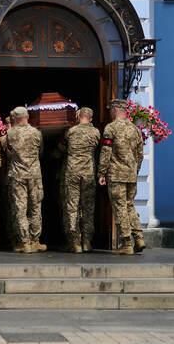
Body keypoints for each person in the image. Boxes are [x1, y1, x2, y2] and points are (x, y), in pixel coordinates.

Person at [99, 99, 144, 255]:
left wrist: (101, 172)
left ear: (116, 110)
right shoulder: (135, 129)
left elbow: (106, 152)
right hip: (131, 175)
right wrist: (135, 170)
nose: (110, 112)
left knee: (120, 208)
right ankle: (139, 238)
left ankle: (126, 243)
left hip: (116, 175)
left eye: (111, 109)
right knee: (129, 205)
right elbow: (140, 154)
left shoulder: (110, 128)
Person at [1, 107, 44, 254]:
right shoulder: (37, 133)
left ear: (14, 118)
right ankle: (35, 240)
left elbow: (6, 152)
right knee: (35, 207)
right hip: (34, 175)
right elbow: (40, 151)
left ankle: (24, 242)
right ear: (27, 116)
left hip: (17, 175)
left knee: (20, 208)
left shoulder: (9, 133)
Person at [59, 106, 100, 253]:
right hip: (88, 173)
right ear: (91, 118)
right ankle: (87, 242)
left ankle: (75, 242)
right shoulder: (96, 132)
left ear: (78, 116)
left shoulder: (71, 132)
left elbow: (62, 149)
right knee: (88, 208)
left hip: (72, 173)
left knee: (72, 207)